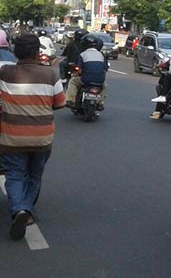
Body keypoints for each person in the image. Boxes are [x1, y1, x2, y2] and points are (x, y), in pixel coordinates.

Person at [0, 34, 66, 240]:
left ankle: (20, 210)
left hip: (12, 138)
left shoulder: (5, 73)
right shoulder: (50, 74)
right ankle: (26, 211)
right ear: (38, 52)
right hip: (42, 139)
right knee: (35, 175)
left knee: (14, 175)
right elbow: (60, 103)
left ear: (15, 52)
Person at [65, 34, 108, 109]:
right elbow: (105, 69)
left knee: (73, 82)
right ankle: (100, 102)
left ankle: (70, 100)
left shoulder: (82, 54)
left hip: (86, 79)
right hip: (100, 80)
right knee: (104, 86)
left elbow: (79, 69)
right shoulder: (101, 55)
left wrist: (78, 73)